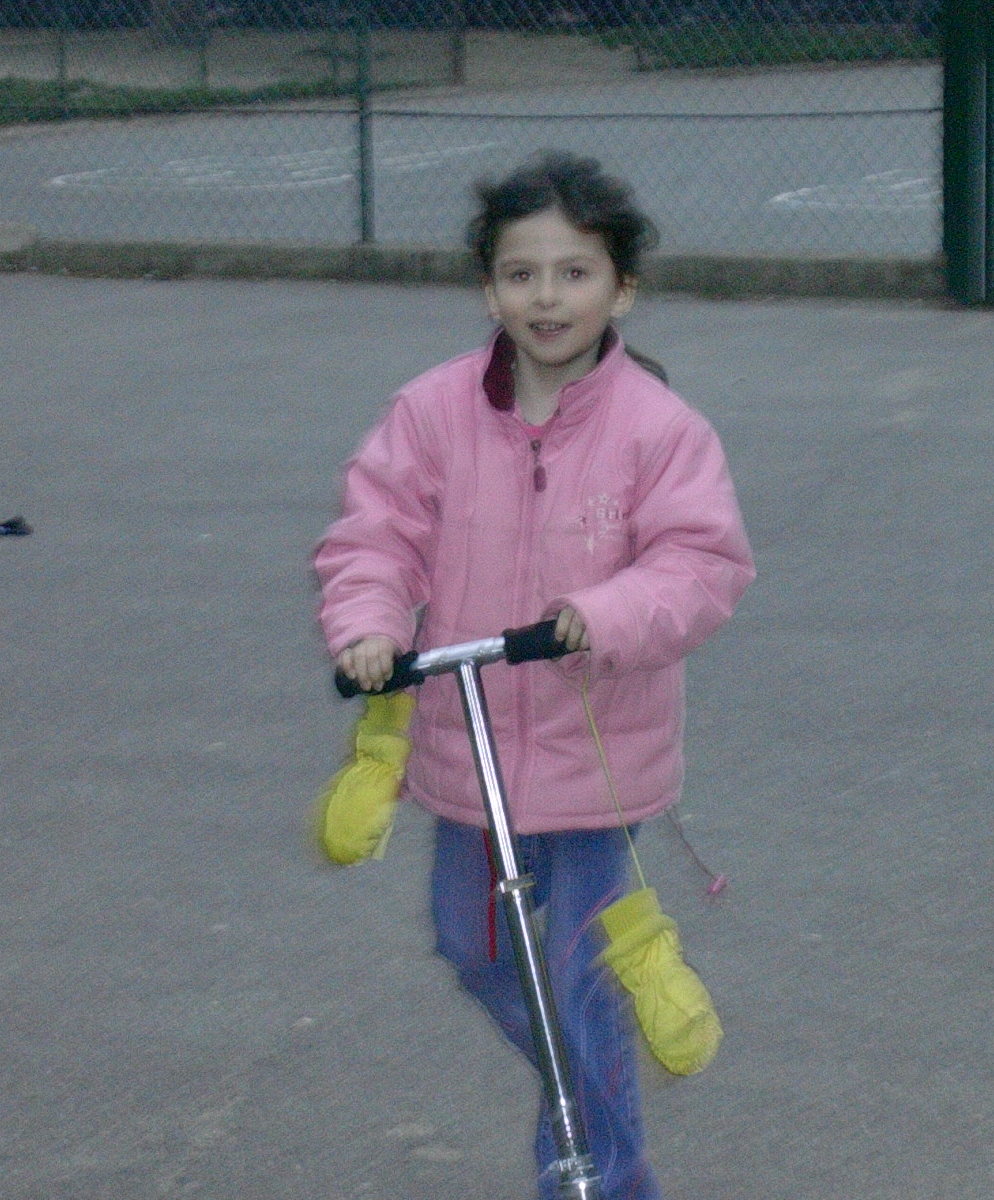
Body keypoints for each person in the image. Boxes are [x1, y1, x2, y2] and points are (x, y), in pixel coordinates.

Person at [313, 150, 754, 1200]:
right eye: (521, 275)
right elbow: (376, 534)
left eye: (574, 273)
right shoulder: (433, 412)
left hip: (596, 764)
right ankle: (582, 1085)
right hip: (467, 752)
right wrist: (369, 624)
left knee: (582, 975)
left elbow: (701, 565)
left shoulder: (659, 430)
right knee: (473, 949)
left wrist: (603, 615)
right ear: (489, 289)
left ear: (621, 290)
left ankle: (603, 1173)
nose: (546, 298)